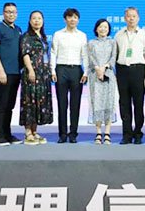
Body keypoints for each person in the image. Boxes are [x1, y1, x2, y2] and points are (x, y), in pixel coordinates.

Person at [51, 8, 88, 143]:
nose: (73, 20)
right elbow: (53, 53)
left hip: (76, 70)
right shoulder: (58, 34)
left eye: (75, 17)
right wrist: (52, 70)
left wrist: (86, 72)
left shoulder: (82, 35)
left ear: (78, 20)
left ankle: (73, 134)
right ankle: (62, 134)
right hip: (61, 70)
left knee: (75, 104)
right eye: (70, 17)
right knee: (62, 104)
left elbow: (85, 55)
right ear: (65, 19)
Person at [114, 7, 145, 145]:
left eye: (134, 16)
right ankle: (127, 134)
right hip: (122, 70)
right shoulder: (118, 35)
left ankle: (138, 133)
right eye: (129, 16)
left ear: (138, 18)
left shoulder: (144, 34)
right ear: (125, 18)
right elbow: (115, 55)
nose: (131, 18)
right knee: (124, 103)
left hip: (138, 70)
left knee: (138, 104)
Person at [0, 2, 23, 146]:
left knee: (10, 105)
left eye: (13, 12)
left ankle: (7, 133)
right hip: (4, 72)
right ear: (3, 13)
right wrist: (1, 70)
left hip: (16, 72)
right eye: (8, 12)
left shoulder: (18, 29)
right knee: (2, 104)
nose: (11, 14)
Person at [20, 10, 53, 145]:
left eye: (39, 18)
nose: (37, 21)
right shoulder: (27, 36)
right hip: (32, 73)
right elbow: (25, 54)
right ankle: (28, 132)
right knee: (30, 101)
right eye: (34, 18)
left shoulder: (43, 37)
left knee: (39, 102)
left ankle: (34, 131)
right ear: (30, 21)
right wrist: (30, 70)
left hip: (43, 74)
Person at [88, 19, 118, 145]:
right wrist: (97, 69)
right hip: (95, 76)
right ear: (96, 29)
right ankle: (98, 132)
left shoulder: (112, 42)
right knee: (97, 103)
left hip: (109, 75)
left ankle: (107, 132)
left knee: (109, 103)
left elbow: (113, 57)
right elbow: (90, 58)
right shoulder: (91, 43)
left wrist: (105, 67)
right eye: (100, 27)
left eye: (105, 27)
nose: (103, 29)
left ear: (109, 29)